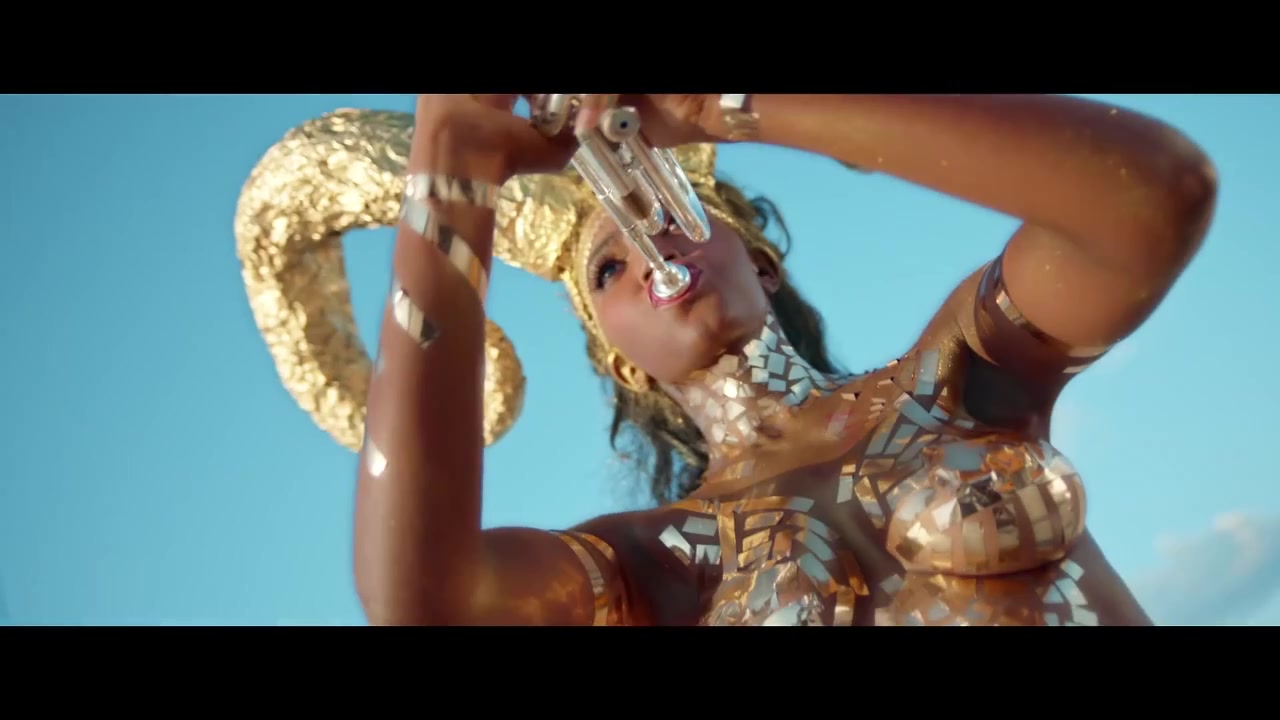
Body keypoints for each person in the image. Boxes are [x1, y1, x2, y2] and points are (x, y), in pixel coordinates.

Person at [236, 94, 1217, 626]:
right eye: (607, 270)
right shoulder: (647, 565)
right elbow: (422, 601)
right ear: (618, 358)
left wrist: (724, 106)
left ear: (759, 261)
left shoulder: (961, 374)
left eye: (673, 213)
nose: (648, 251)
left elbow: (1151, 198)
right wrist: (448, 170)